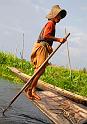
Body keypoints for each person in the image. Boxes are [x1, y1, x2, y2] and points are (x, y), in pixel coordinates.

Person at [25, 5, 67, 100]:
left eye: (60, 16)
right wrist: (59, 39)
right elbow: (46, 36)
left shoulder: (51, 24)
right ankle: (29, 89)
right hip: (42, 48)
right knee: (40, 70)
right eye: (58, 16)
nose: (60, 18)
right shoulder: (50, 24)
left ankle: (32, 91)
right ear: (54, 15)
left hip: (42, 47)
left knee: (38, 70)